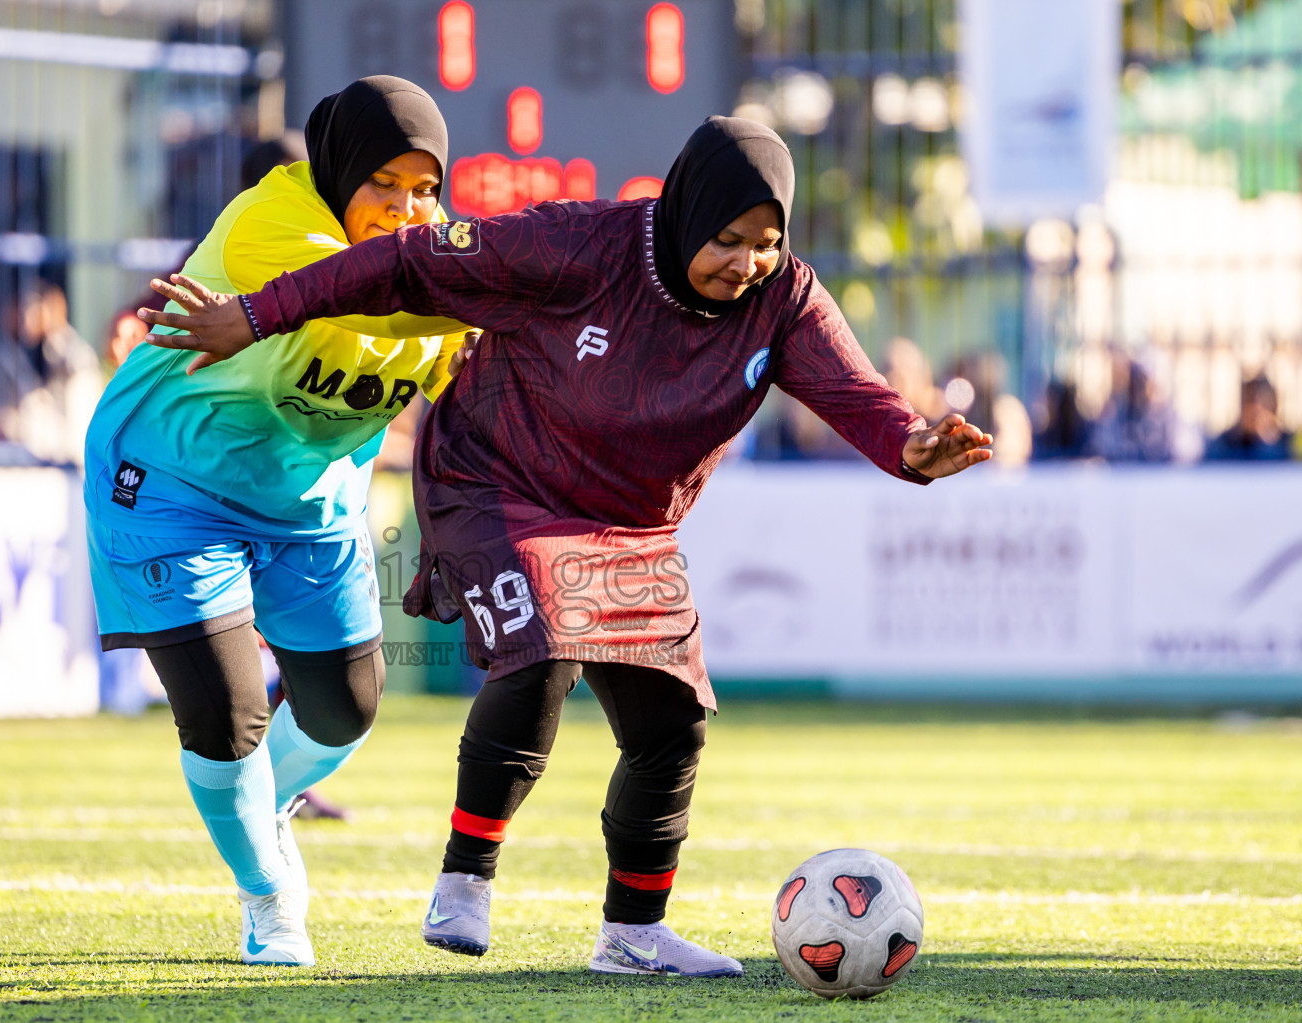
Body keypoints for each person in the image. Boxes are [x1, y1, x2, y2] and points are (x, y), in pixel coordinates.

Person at [140, 116, 992, 976]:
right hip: (497, 478)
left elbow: (855, 392)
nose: (747, 263)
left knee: (672, 726)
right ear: (687, 213)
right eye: (728, 239)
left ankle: (633, 935)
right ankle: (465, 878)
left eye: (767, 243)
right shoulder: (577, 243)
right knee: (546, 644)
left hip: (631, 523)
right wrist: (256, 315)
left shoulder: (787, 299)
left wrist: (909, 447)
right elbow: (405, 261)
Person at [88, 76, 469, 967]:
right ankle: (268, 895)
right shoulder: (274, 219)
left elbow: (466, 384)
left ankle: (262, 809)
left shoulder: (443, 266)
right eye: (383, 184)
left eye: (425, 189)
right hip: (172, 481)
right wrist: (505, 287)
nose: (406, 209)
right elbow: (370, 298)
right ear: (337, 173)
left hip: (309, 500)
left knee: (346, 710)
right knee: (226, 716)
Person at [1204, 375, 1294, 461]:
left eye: (1263, 406)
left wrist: (1269, 440)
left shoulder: (1286, 443)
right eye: (1249, 403)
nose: (1255, 413)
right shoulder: (1227, 442)